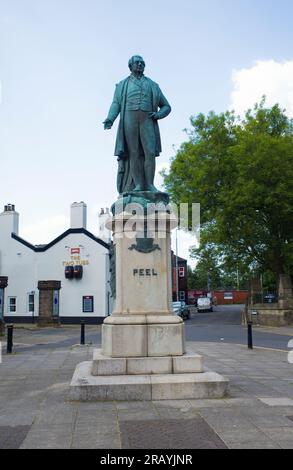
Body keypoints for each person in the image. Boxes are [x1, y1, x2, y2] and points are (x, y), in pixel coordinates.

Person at [103, 55, 171, 194]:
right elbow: (116, 103)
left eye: (142, 62)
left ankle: (150, 185)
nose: (140, 64)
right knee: (132, 152)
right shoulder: (122, 85)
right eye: (137, 62)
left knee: (150, 153)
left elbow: (166, 106)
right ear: (131, 66)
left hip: (147, 119)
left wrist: (158, 115)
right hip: (129, 118)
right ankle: (138, 184)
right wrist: (110, 118)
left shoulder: (153, 85)